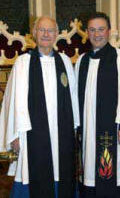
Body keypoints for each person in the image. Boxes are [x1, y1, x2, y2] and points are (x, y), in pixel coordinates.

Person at [0, 16, 79, 198]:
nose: (46, 34)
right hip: (31, 135)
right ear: (34, 33)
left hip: (62, 135)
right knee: (34, 172)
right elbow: (13, 101)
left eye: (50, 30)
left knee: (62, 171)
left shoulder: (65, 61)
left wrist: (74, 128)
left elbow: (73, 97)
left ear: (57, 34)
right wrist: (15, 135)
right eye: (41, 30)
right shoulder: (23, 63)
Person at [75, 12, 120, 198]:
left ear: (109, 32)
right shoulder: (82, 61)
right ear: (87, 32)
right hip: (90, 132)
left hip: (116, 132)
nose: (97, 34)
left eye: (101, 29)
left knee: (119, 172)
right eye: (92, 30)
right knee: (92, 170)